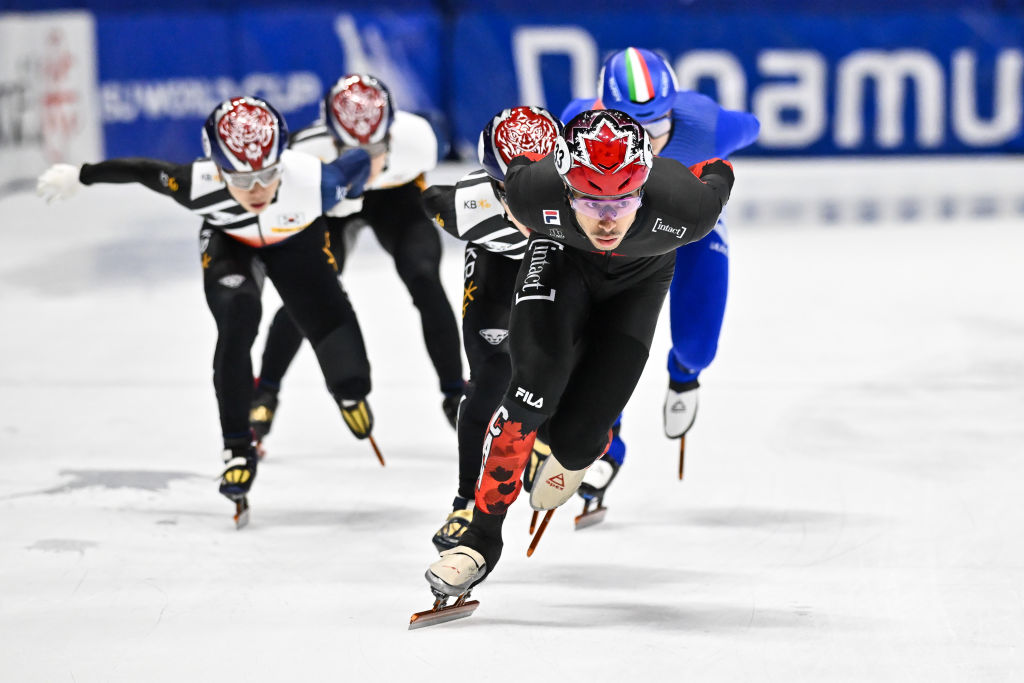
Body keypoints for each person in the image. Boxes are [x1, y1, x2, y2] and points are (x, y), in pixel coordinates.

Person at [424, 108, 735, 598]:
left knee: (578, 442)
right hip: (560, 262)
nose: (608, 219)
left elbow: (720, 172)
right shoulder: (531, 193)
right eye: (590, 201)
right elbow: (445, 197)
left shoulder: (687, 209)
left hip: (638, 285)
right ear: (565, 187)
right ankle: (479, 541)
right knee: (529, 390)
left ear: (646, 185)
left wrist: (712, 164)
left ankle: (558, 441)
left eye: (624, 198)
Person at [36, 95, 381, 515]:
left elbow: (359, 161)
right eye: (239, 178)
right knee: (239, 317)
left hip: (297, 243)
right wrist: (82, 176)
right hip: (231, 245)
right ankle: (237, 447)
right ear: (217, 170)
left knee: (344, 360)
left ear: (283, 163)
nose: (255, 190)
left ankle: (347, 394)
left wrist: (354, 196)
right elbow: (144, 172)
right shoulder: (195, 183)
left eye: (267, 175)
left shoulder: (316, 181)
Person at [559, 47, 760, 506]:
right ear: (598, 112)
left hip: (685, 230)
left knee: (697, 345)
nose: (642, 141)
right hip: (616, 235)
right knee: (595, 345)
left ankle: (685, 373)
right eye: (626, 124)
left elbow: (750, 126)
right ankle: (606, 442)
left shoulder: (706, 124)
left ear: (674, 112)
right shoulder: (574, 124)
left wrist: (716, 165)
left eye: (655, 127)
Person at [250, 74, 464, 443]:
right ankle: (265, 389)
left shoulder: (419, 141)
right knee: (311, 290)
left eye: (377, 146)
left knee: (424, 277)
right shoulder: (303, 155)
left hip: (397, 197)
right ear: (330, 136)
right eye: (352, 150)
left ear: (393, 132)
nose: (367, 161)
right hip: (334, 201)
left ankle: (454, 392)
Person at [422, 105, 563, 551]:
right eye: (508, 189)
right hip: (495, 268)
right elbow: (427, 200)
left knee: (565, 358)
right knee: (488, 383)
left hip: (557, 260)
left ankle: (548, 438)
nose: (523, 201)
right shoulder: (465, 208)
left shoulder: (582, 195)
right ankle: (465, 499)